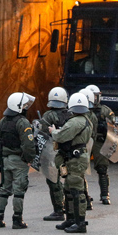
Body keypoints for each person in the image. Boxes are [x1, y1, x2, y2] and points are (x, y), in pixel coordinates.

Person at [0, 92, 36, 229]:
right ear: (18, 106)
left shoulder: (3, 121)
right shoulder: (23, 122)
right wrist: (29, 159)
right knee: (19, 191)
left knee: (4, 190)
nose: (26, 107)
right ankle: (17, 220)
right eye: (24, 105)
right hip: (19, 161)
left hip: (5, 160)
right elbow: (28, 145)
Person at [50, 92, 92, 233]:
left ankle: (80, 223)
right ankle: (71, 219)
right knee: (68, 189)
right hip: (75, 158)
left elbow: (61, 136)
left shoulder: (75, 121)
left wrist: (53, 132)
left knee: (76, 190)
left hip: (75, 159)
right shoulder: (86, 120)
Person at [36, 86, 68, 221]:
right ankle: (69, 207)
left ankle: (58, 210)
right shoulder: (71, 114)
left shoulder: (48, 115)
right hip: (68, 152)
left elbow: (41, 134)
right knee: (69, 179)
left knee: (53, 181)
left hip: (53, 152)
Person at [86, 84, 115, 205]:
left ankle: (104, 195)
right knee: (80, 169)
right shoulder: (82, 110)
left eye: (97, 96)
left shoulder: (105, 110)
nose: (95, 99)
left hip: (99, 141)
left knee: (102, 168)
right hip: (86, 141)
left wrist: (106, 126)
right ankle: (84, 196)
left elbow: (114, 128)